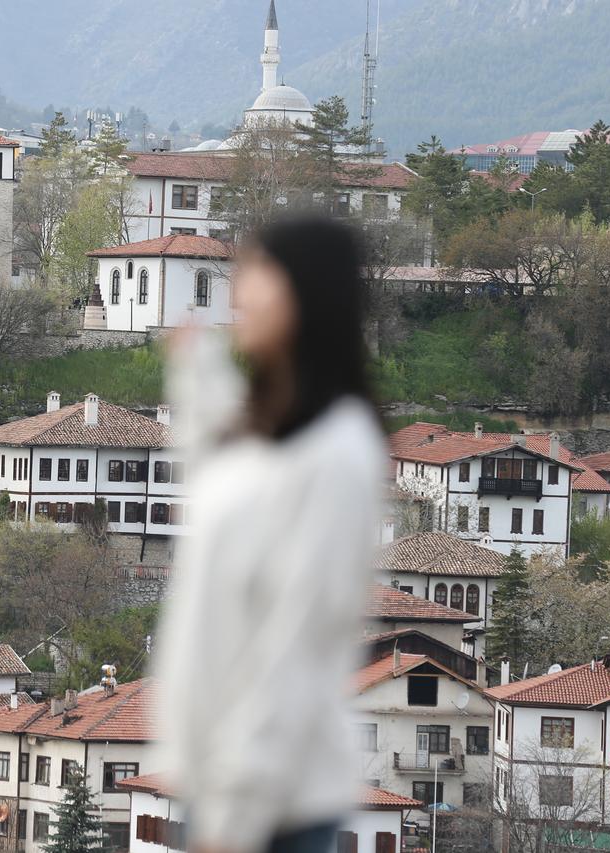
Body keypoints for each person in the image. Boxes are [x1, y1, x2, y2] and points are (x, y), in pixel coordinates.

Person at [155, 216, 385, 853]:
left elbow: (295, 644)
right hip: (226, 797)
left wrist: (235, 816)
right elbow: (216, 487)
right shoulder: (272, 436)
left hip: (268, 809)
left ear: (305, 293)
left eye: (258, 275)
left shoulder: (338, 453)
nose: (240, 295)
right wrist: (195, 371)